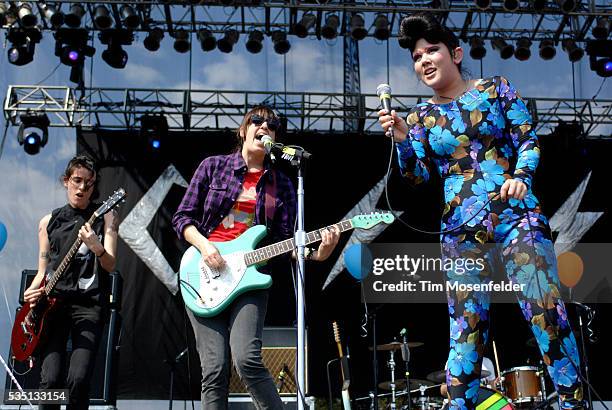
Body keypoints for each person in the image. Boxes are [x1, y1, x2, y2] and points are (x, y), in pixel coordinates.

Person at [377, 12, 585, 410]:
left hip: (516, 214)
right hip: (460, 227)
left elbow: (528, 139)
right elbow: (417, 177)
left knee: (544, 309)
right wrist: (403, 138)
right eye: (417, 56)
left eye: (431, 50)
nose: (423, 60)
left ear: (455, 54)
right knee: (467, 330)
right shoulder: (421, 116)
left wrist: (521, 174)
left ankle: (573, 403)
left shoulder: (495, 88)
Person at [172, 105, 339, 409]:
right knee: (214, 369)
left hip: (249, 279)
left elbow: (287, 242)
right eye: (257, 121)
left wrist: (317, 254)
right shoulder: (213, 167)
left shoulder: (283, 184)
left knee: (247, 360)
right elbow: (182, 218)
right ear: (243, 130)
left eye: (272, 126)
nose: (264, 127)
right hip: (203, 274)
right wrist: (205, 246)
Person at [23, 155, 118, 410]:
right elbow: (43, 272)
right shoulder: (48, 222)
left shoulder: (105, 217)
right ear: (66, 181)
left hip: (89, 306)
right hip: (53, 307)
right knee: (50, 380)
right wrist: (30, 297)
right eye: (77, 181)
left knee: (78, 378)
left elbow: (110, 265)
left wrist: (96, 247)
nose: (82, 188)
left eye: (89, 183)